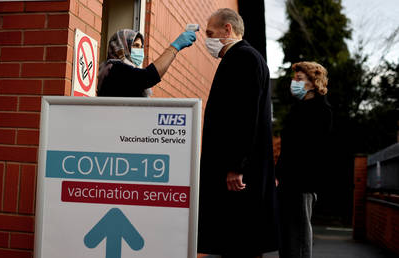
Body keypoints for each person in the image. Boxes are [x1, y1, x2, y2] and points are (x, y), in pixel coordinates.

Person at [197, 8, 279, 258]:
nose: (207, 40)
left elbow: (245, 117)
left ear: (228, 30)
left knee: (239, 243)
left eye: (210, 33)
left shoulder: (243, 58)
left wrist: (236, 166)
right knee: (240, 242)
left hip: (238, 176)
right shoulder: (246, 58)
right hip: (241, 172)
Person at [275, 61, 332, 258]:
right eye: (294, 78)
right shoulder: (297, 109)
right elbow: (289, 149)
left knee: (298, 236)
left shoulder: (321, 112)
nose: (294, 82)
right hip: (288, 183)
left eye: (299, 79)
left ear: (313, 83)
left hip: (303, 183)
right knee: (287, 236)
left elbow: (314, 152)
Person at [97, 29, 196, 97]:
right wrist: (174, 47)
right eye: (135, 45)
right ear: (121, 46)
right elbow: (148, 76)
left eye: (141, 47)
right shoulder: (115, 69)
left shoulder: (120, 69)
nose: (139, 50)